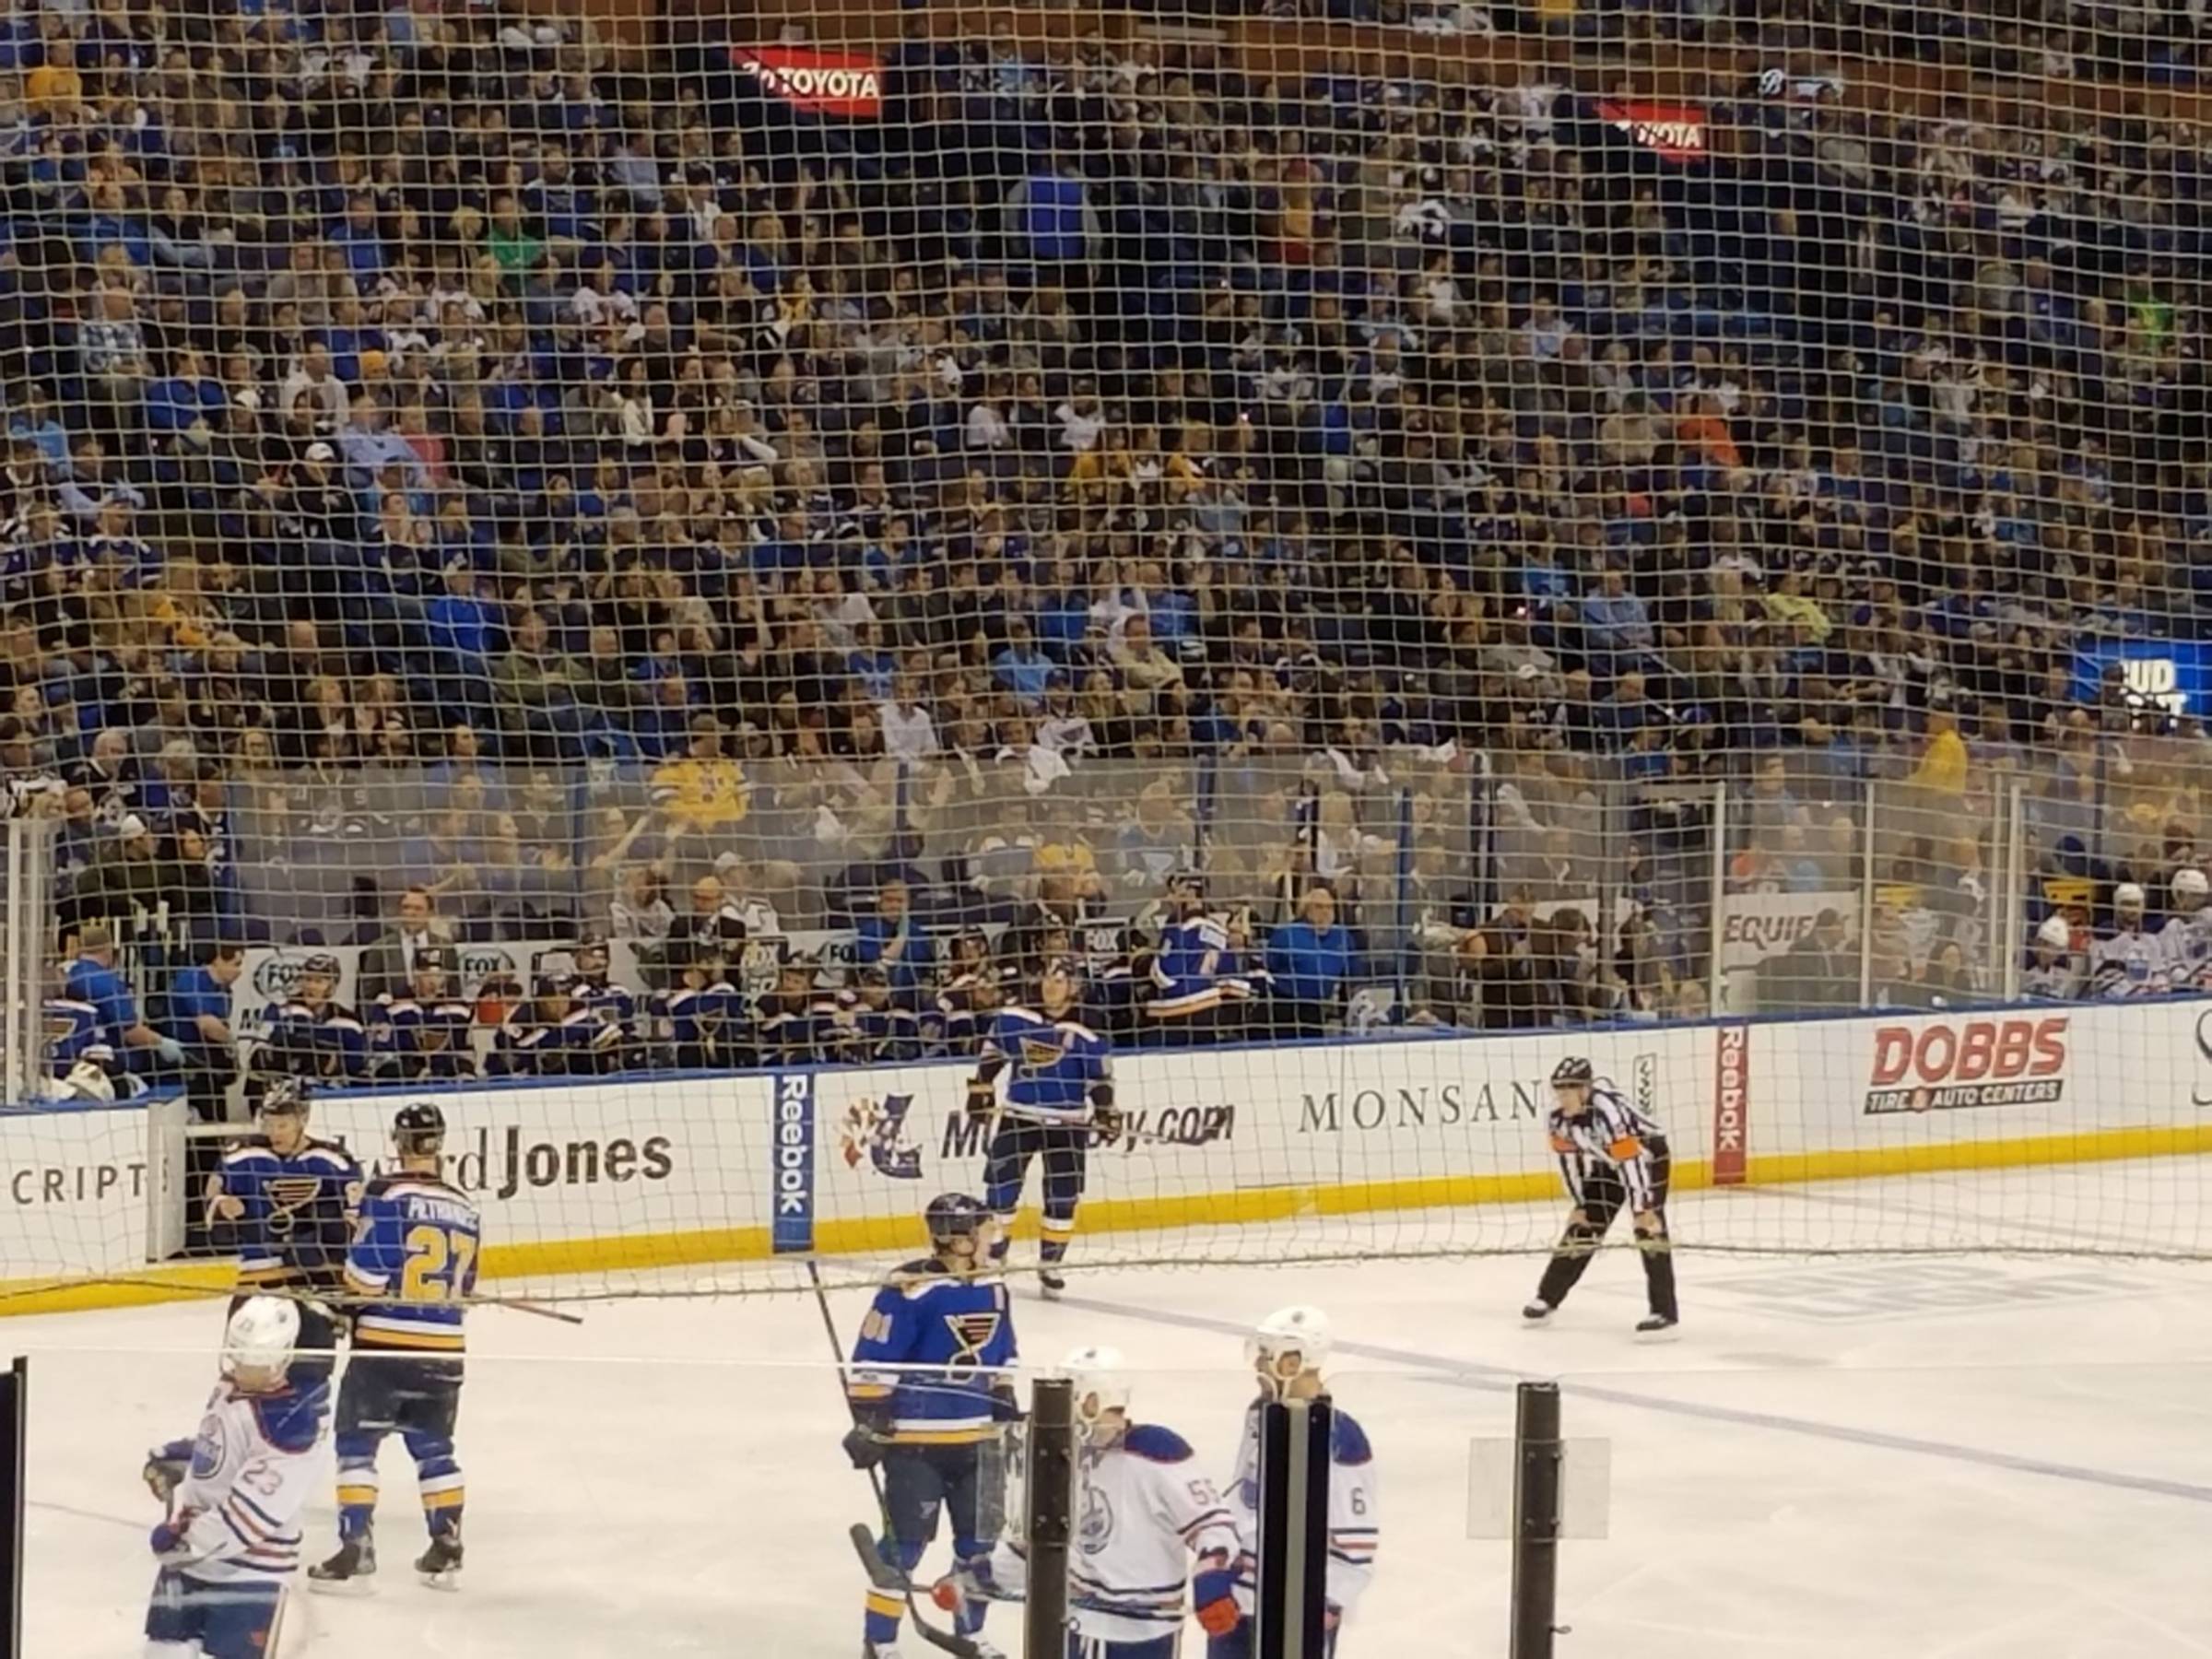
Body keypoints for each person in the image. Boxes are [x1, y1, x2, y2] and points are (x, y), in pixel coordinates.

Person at [949, 1346, 1241, 1659]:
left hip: (1153, 1631)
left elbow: (1213, 1524)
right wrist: (983, 1578)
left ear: (1093, 1400)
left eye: (1070, 1399)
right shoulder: (1061, 1454)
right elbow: (1043, 1540)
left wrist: (1213, 1579)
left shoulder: (1157, 1451)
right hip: (1086, 1625)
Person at [311, 1103, 481, 1590]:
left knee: (357, 1445)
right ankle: (446, 1546)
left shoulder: (386, 1193)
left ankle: (355, 1549)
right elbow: (466, 1287)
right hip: (445, 1346)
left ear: (398, 1142)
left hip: (385, 1346)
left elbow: (366, 1276)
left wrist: (344, 1300)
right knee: (435, 1449)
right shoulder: (466, 1205)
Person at [845, 1193, 1019, 1659]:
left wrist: (1004, 1400)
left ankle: (970, 1633)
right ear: (960, 1240)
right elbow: (871, 1360)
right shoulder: (909, 1290)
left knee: (977, 1547)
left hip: (980, 1442)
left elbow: (1004, 1353)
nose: (993, 1239)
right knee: (903, 1549)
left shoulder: (994, 1286)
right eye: (985, 1231)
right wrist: (869, 1421)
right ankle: (880, 1643)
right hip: (917, 1443)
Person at [140, 1297, 329, 1659]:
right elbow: (231, 1443)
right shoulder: (235, 1384)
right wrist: (190, 1456)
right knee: (161, 1651)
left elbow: (249, 1513)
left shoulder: (291, 1426)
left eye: (253, 1361)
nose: (241, 1367)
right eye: (236, 1355)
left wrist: (182, 1541)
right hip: (193, 1559)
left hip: (249, 1571)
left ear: (285, 1357)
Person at [1217, 1307, 1378, 1659]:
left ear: (1292, 1361)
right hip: (1238, 1602)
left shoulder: (1339, 1436)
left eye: (1265, 1356)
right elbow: (1244, 1496)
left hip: (1295, 1608)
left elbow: (1357, 1545)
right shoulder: (1260, 1412)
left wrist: (1328, 1602)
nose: (1258, 1366)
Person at [969, 959, 1119, 1297]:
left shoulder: (1088, 1027)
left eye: (1060, 981)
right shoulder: (1016, 1018)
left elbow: (1099, 1077)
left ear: (1075, 987)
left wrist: (1107, 1109)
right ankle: (994, 1257)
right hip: (1019, 1116)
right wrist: (980, 1088)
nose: (1051, 986)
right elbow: (992, 1051)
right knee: (1000, 1188)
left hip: (1067, 1124)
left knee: (1063, 1196)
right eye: (1048, 979)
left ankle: (1050, 1264)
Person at [202, 1080, 363, 1388]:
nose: (275, 1132)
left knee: (311, 1378)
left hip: (312, 1287)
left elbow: (357, 1224)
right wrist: (222, 1206)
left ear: (303, 1119)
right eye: (270, 1123)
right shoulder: (241, 1156)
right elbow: (212, 1201)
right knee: (241, 1377)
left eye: (284, 1124)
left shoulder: (334, 1161)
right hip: (256, 1283)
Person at [1523, 1056, 1679, 1335]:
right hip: (1608, 1161)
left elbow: (1631, 1160)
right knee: (1584, 1224)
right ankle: (1548, 1296)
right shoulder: (1557, 1118)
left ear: (1584, 1089)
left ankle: (1663, 1311)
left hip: (1647, 1159)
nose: (1562, 1097)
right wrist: (1580, 1203)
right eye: (1558, 1091)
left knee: (1649, 1230)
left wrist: (1643, 1207)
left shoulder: (1607, 1111)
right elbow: (1569, 1163)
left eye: (1568, 1091)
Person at [65, 918, 184, 1075]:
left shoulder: (66, 974)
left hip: (70, 1058)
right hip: (109, 1063)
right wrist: (161, 1042)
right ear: (107, 948)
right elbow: (130, 1032)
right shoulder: (107, 983)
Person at [1144, 872, 1251, 1046]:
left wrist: (1146, 962)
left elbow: (1161, 972)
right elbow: (1232, 981)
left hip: (1174, 1012)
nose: (1170, 898)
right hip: (1207, 1013)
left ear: (1190, 893)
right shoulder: (1220, 931)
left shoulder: (1177, 927)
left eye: (1174, 892)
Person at [164, 939, 244, 1123]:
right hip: (185, 1063)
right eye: (236, 964)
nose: (239, 972)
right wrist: (232, 1042)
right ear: (218, 960)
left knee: (217, 1120)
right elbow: (208, 1025)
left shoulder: (225, 992)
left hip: (208, 1066)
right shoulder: (192, 979)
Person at [370, 948, 477, 1081]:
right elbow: (383, 1061)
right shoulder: (391, 1008)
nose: (433, 982)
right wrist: (413, 1073)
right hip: (405, 1085)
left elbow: (465, 1055)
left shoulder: (460, 1011)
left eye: (438, 975)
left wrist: (461, 1071)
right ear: (414, 977)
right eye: (426, 975)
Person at [1264, 886, 1359, 1036]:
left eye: (1329, 907)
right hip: (1287, 1008)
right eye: (1319, 907)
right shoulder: (1285, 935)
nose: (1325, 912)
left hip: (1321, 1009)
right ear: (1306, 910)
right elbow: (1270, 967)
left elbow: (1351, 975)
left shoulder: (1342, 937)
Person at [258, 953, 367, 1082]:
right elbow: (261, 1054)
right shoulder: (279, 1011)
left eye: (318, 981)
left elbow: (356, 1065)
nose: (311, 986)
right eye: (307, 979)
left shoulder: (349, 1022)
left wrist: (332, 1065)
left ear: (332, 987)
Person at [2091, 882, 2163, 997]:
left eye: (2136, 904)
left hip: (2150, 1001)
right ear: (2117, 906)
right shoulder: (2104, 936)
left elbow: (2160, 972)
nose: (2132, 909)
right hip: (2116, 1004)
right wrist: (2135, 993)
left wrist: (2158, 989)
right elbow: (2104, 978)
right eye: (2127, 904)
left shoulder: (2151, 938)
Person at [2158, 867, 2212, 980]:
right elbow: (2172, 966)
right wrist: (2195, 981)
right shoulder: (2171, 928)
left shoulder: (2208, 916)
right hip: (2191, 986)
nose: (2200, 900)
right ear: (2180, 895)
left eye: (2202, 895)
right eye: (2195, 895)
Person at [2024, 913, 2082, 1000]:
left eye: (2060, 950)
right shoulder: (2020, 966)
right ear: (2042, 944)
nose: (2057, 956)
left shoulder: (2061, 973)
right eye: (2056, 950)